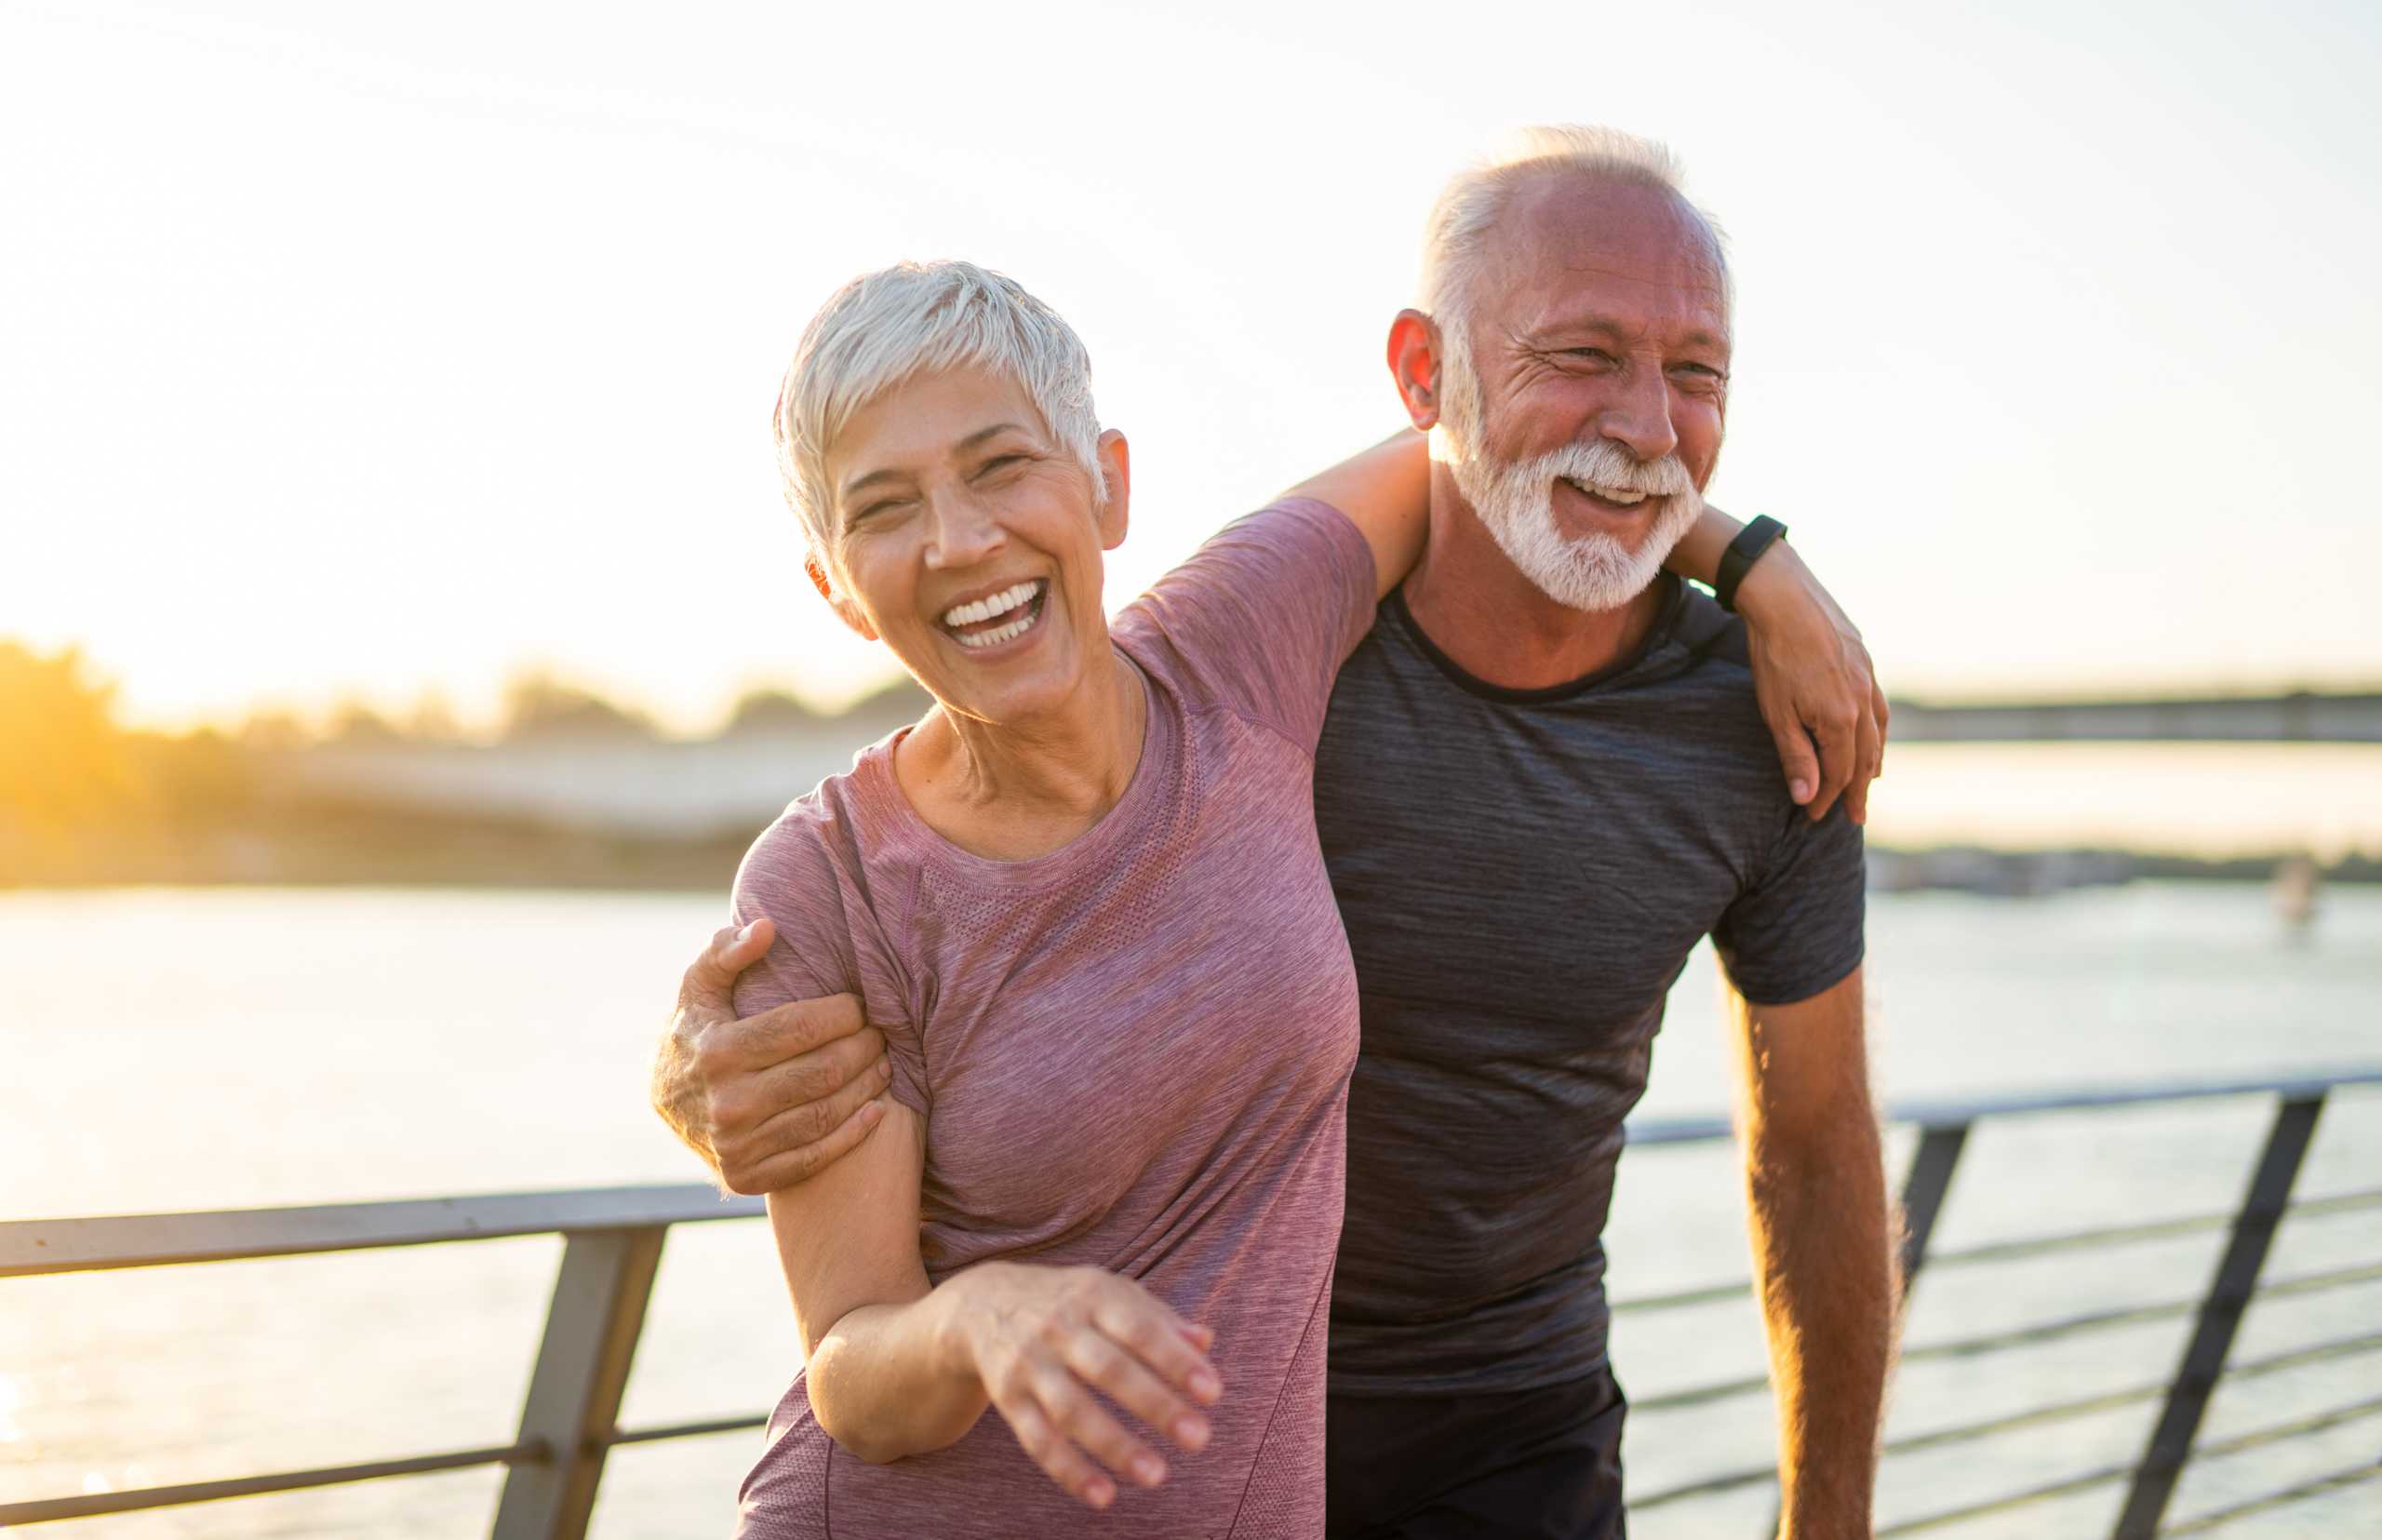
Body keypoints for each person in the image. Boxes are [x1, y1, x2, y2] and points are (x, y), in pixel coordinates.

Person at [663, 127, 1889, 1540]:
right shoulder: (1228, 674)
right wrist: (697, 1070)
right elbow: (858, 1341)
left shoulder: (1752, 713)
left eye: (1697, 374)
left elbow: (1812, 1148)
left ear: (1107, 485)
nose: (961, 541)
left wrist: (1748, 552)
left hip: (1491, 1439)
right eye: (1581, 351)